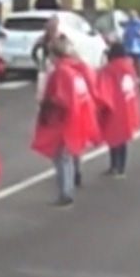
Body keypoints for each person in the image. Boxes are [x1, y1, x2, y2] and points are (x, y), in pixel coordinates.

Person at [31, 34, 100, 208]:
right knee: (67, 156)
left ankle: (65, 192)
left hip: (61, 120)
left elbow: (61, 99)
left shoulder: (61, 72)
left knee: (61, 157)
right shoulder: (74, 70)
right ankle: (68, 188)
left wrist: (46, 103)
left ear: (54, 55)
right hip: (74, 118)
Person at [96, 41, 140, 177]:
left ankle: (114, 166)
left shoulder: (109, 69)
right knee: (123, 138)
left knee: (113, 137)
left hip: (114, 108)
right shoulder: (129, 66)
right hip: (127, 107)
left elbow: (102, 89)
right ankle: (120, 167)